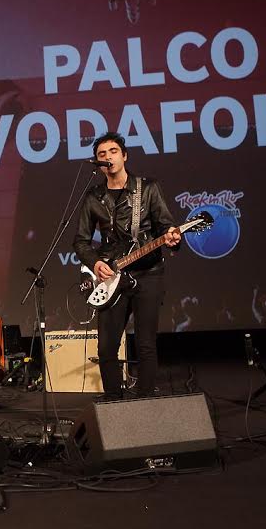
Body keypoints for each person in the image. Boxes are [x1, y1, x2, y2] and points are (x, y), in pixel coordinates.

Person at [73, 133, 181, 400]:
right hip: (112, 275)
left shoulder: (148, 188)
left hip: (148, 273)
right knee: (106, 347)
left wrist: (172, 237)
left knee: (145, 344)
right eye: (102, 154)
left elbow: (166, 226)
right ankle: (112, 401)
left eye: (113, 151)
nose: (108, 157)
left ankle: (145, 400)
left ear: (124, 156)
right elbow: (81, 241)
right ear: (98, 163)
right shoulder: (93, 197)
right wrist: (96, 263)